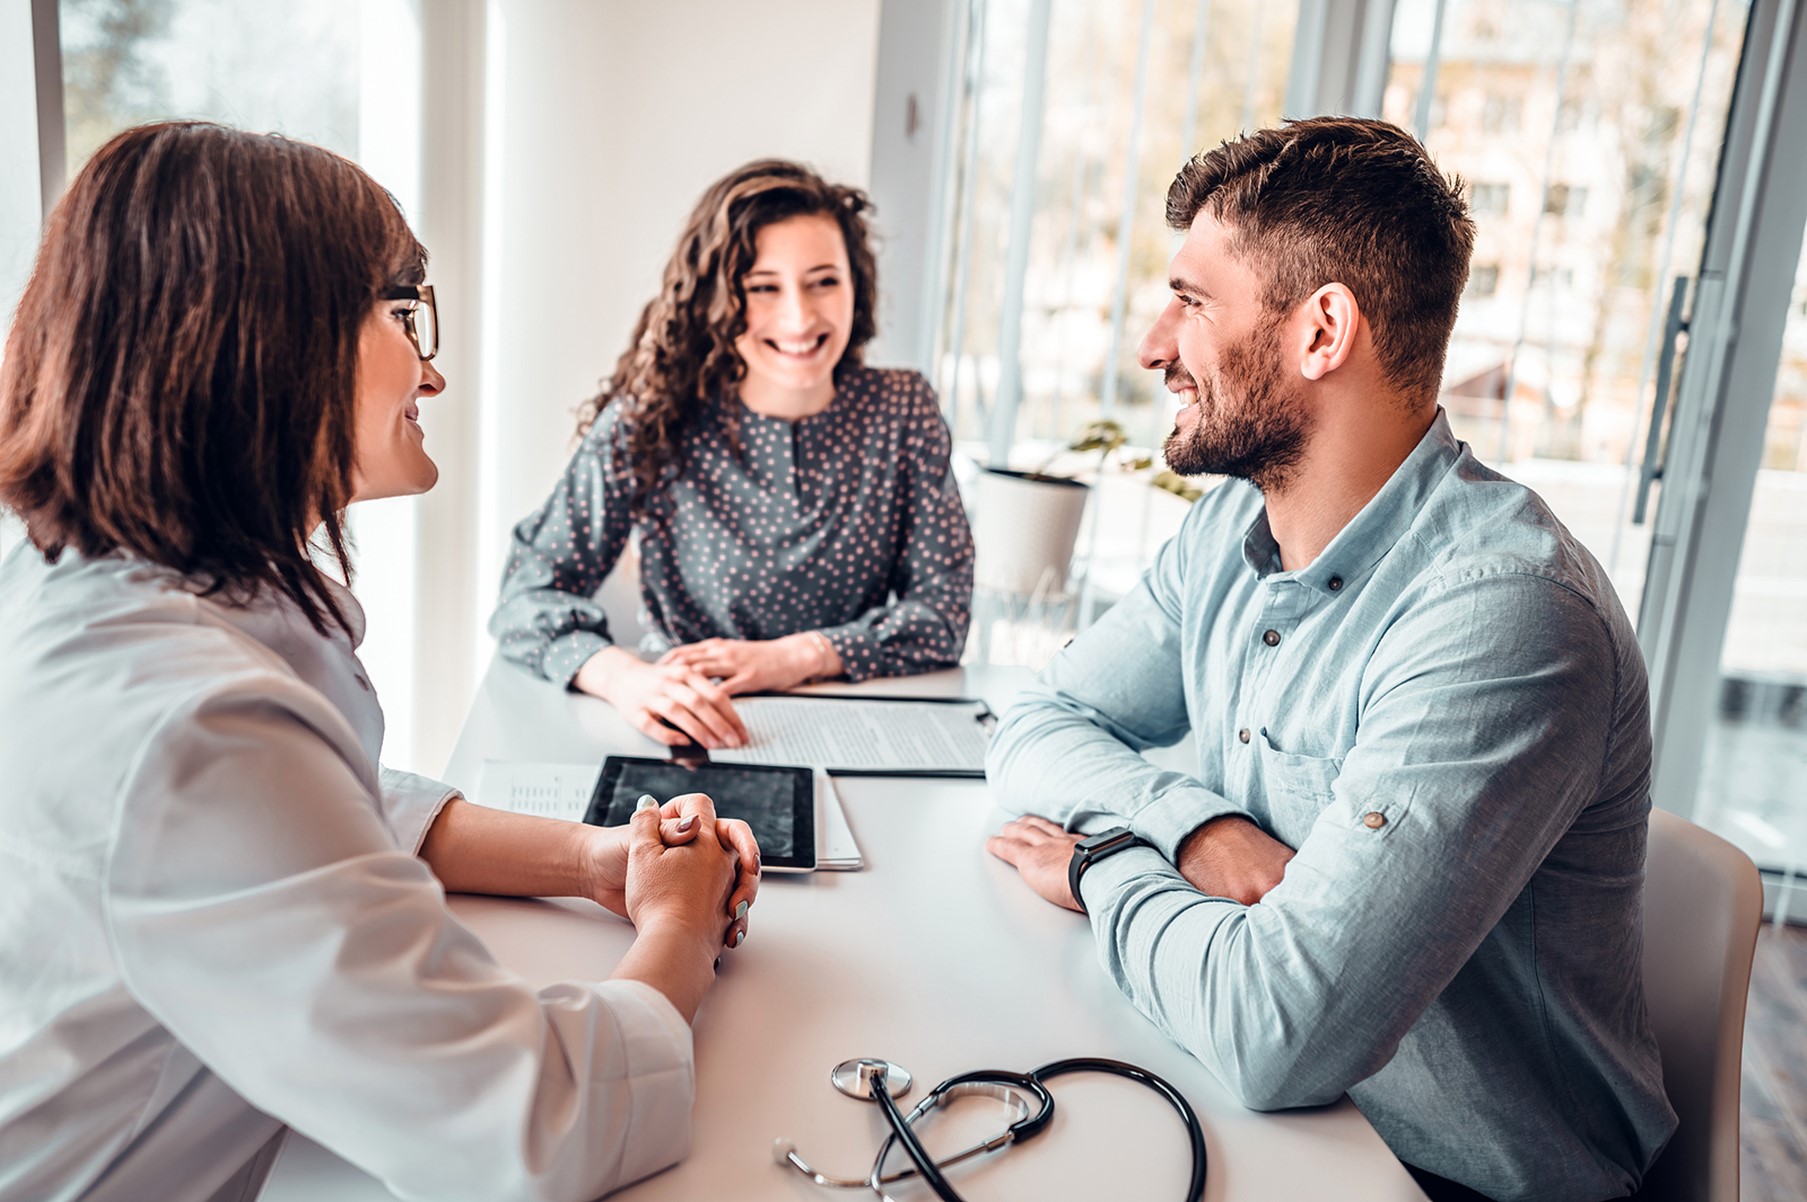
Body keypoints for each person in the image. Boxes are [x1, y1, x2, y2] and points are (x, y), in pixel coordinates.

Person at [0, 121, 760, 1202]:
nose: (435, 370)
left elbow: (322, 810)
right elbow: (534, 1125)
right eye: (407, 310)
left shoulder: (81, 572)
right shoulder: (187, 723)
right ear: (265, 337)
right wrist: (679, 923)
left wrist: (595, 859)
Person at [982, 117, 1675, 1202]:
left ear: (1321, 332)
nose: (1152, 345)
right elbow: (1035, 723)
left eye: (1193, 302)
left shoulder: (1506, 620)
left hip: (1451, 1178)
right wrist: (1193, 828)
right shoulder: (1228, 532)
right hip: (1270, 1121)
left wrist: (1097, 862)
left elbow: (1277, 1032)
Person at [490, 160, 974, 750]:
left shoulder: (904, 411)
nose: (799, 316)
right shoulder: (649, 421)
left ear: (858, 285)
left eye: (824, 281)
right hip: (696, 732)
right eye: (763, 287)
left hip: (860, 728)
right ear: (717, 298)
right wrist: (625, 680)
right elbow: (525, 597)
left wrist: (795, 657)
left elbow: (943, 615)